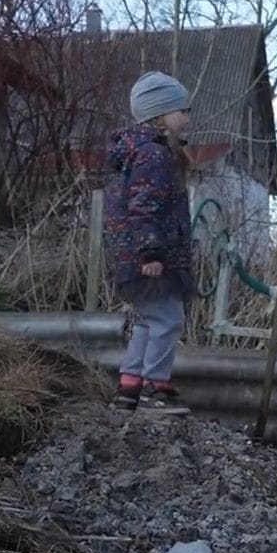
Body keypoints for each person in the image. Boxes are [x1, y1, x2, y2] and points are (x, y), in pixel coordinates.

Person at [104, 71, 195, 416]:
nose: (187, 118)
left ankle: (130, 386)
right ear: (160, 115)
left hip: (134, 256)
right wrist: (151, 252)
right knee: (168, 319)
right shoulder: (153, 156)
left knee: (147, 320)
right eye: (182, 110)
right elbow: (144, 206)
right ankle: (155, 387)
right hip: (149, 257)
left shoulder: (138, 153)